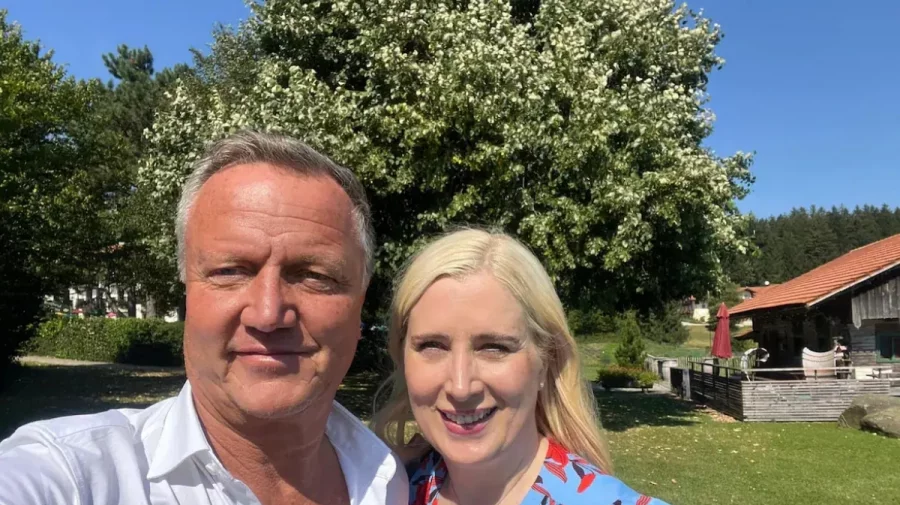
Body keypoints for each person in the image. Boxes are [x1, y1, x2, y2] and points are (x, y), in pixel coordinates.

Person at [0, 131, 408, 505]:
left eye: (314, 276)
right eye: (230, 271)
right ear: (187, 291)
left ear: (360, 303)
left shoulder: (391, 480)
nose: (268, 314)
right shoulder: (72, 476)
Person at [372, 229, 669, 505]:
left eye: (494, 348)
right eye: (432, 346)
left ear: (546, 361)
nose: (461, 387)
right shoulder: (381, 491)